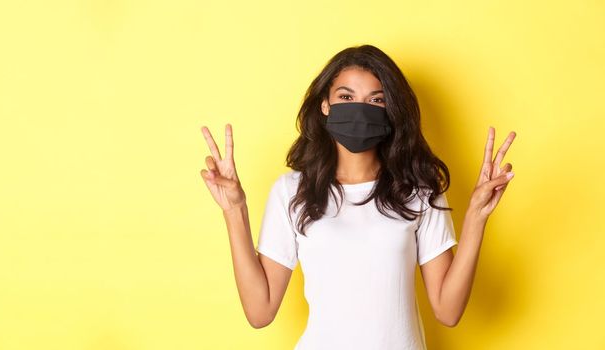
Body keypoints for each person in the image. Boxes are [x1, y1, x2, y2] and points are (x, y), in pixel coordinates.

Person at [198, 44, 516, 349]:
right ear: (325, 105)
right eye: (346, 96)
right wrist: (234, 210)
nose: (360, 109)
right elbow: (260, 311)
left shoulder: (418, 190)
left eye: (375, 100)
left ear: (390, 111)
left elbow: (448, 311)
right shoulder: (292, 191)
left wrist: (476, 218)